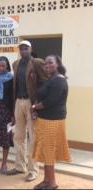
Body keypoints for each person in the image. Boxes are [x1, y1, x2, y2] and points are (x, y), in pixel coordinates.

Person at [6, 40, 47, 182]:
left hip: (31, 102)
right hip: (18, 101)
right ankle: (19, 166)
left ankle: (33, 170)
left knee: (33, 137)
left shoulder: (37, 63)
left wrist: (37, 104)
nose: (23, 51)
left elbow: (44, 83)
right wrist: (13, 107)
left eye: (26, 48)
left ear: (30, 49)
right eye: (21, 49)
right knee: (18, 136)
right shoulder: (16, 64)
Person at [31, 55, 71, 190]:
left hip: (52, 121)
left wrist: (34, 107)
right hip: (45, 120)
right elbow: (41, 97)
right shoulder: (51, 79)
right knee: (45, 151)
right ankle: (46, 180)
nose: (47, 65)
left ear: (58, 64)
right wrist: (36, 108)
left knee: (49, 152)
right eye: (46, 63)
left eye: (50, 62)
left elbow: (50, 101)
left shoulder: (59, 81)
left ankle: (52, 183)